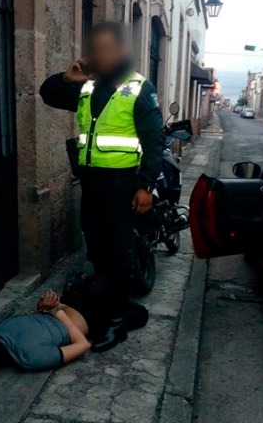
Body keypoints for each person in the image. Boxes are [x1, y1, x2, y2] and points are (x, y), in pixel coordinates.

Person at [39, 22, 164, 352]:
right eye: (96, 49)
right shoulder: (88, 86)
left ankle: (117, 322)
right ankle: (106, 308)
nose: (101, 54)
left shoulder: (138, 88)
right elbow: (47, 94)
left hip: (122, 185)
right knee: (96, 249)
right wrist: (66, 78)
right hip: (92, 184)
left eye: (107, 48)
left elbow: (154, 141)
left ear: (121, 50)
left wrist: (146, 187)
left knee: (120, 254)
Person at [0, 289, 148, 376]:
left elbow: (83, 344)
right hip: (79, 309)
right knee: (137, 311)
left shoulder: (29, 357)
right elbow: (82, 344)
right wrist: (54, 309)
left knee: (136, 309)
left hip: (74, 309)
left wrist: (52, 310)